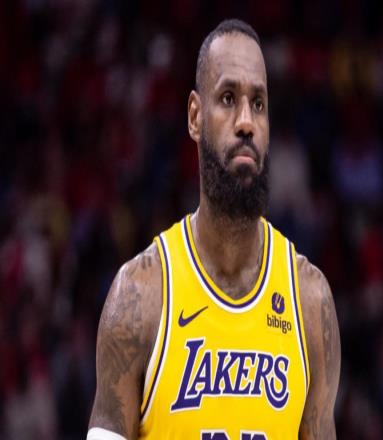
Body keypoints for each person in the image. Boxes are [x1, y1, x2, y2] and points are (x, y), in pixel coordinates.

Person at [87, 19, 340, 440]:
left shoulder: (310, 303)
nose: (246, 122)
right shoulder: (138, 298)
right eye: (228, 98)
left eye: (258, 103)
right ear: (195, 116)